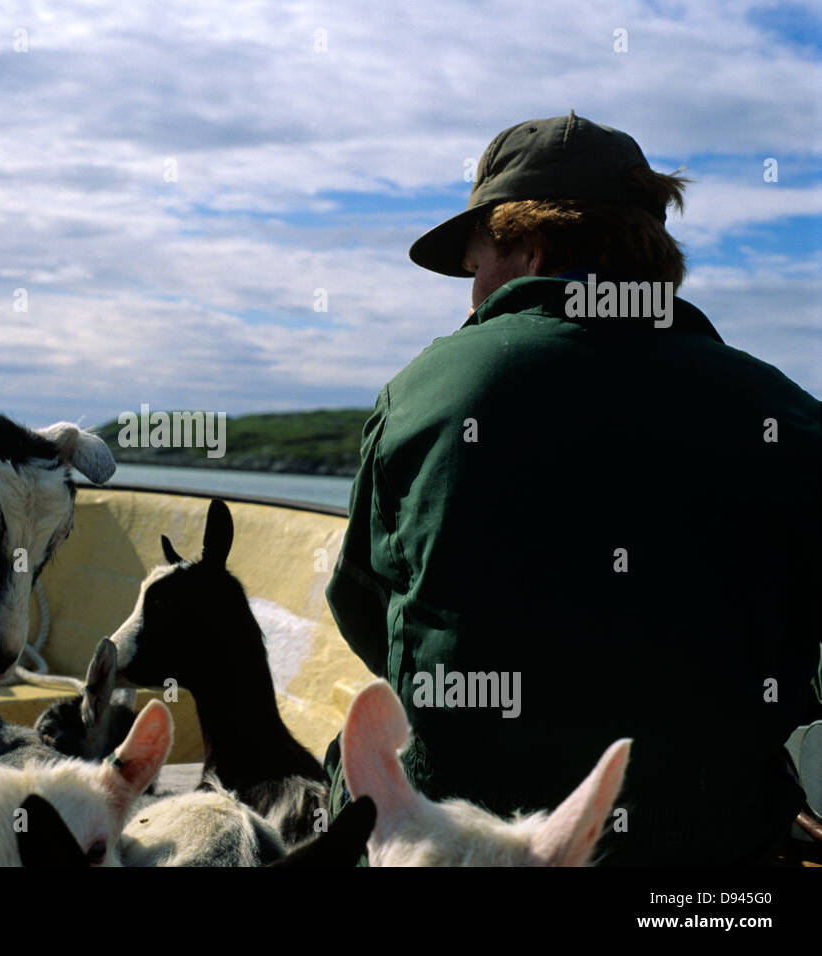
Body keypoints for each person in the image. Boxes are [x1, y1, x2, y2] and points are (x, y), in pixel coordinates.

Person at [324, 112, 822, 865]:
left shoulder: (424, 393)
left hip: (460, 843)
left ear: (530, 244)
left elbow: (363, 609)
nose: (470, 298)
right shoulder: (787, 414)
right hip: (706, 857)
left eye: (477, 263)